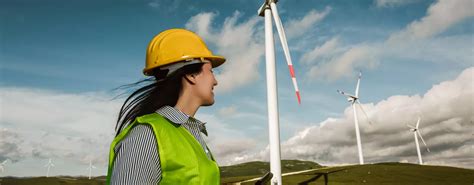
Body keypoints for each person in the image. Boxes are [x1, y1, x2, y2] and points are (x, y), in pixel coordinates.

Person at [106, 28, 226, 185]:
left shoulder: (190, 134)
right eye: (211, 71)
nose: (215, 81)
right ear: (191, 75)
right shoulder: (146, 136)